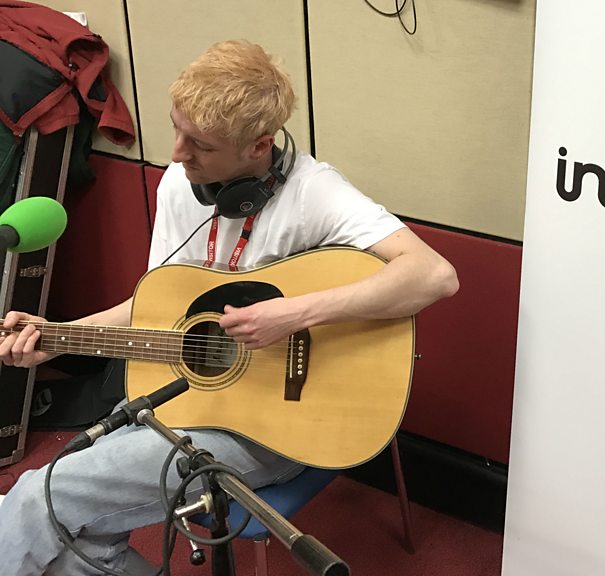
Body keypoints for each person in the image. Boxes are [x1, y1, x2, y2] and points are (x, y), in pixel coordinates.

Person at [0, 39, 459, 575]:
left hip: (277, 423)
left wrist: (293, 314)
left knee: (37, 498)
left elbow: (435, 275)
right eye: (176, 130)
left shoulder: (314, 193)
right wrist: (57, 335)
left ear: (259, 146)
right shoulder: (181, 185)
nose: (177, 153)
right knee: (72, 534)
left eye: (200, 144)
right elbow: (156, 304)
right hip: (191, 400)